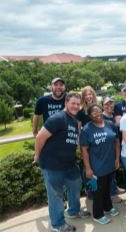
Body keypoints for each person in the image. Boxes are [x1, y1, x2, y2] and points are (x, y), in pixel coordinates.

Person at [34, 92, 90, 232]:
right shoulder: (57, 118)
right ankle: (57, 224)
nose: (76, 106)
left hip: (69, 164)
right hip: (52, 165)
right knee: (56, 195)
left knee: (76, 184)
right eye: (73, 103)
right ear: (66, 103)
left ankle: (73, 211)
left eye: (78, 104)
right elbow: (40, 137)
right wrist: (37, 156)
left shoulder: (72, 119)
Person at [80, 104, 120, 225]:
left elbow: (117, 141)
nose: (98, 114)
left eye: (99, 111)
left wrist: (117, 159)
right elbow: (84, 150)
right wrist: (88, 168)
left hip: (110, 164)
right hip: (97, 167)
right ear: (90, 116)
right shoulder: (87, 129)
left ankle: (108, 207)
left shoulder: (110, 124)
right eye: (94, 113)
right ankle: (98, 214)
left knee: (107, 188)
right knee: (98, 192)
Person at [102, 96, 125, 203]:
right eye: (106, 104)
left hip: (116, 146)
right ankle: (112, 194)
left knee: (114, 168)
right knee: (109, 171)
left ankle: (114, 188)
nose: (109, 106)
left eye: (111, 104)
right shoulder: (102, 117)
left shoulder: (113, 117)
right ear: (103, 106)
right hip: (107, 149)